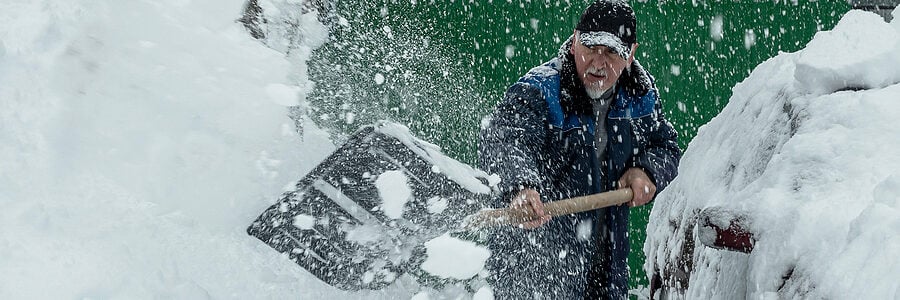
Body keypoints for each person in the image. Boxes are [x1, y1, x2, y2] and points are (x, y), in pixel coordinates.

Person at [478, 0, 681, 298]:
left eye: (611, 52)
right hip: (534, 269)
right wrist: (520, 187)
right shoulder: (539, 90)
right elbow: (503, 139)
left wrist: (647, 171)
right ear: (574, 42)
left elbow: (666, 147)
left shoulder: (640, 93)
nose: (598, 63)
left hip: (606, 267)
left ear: (630, 53)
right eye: (590, 48)